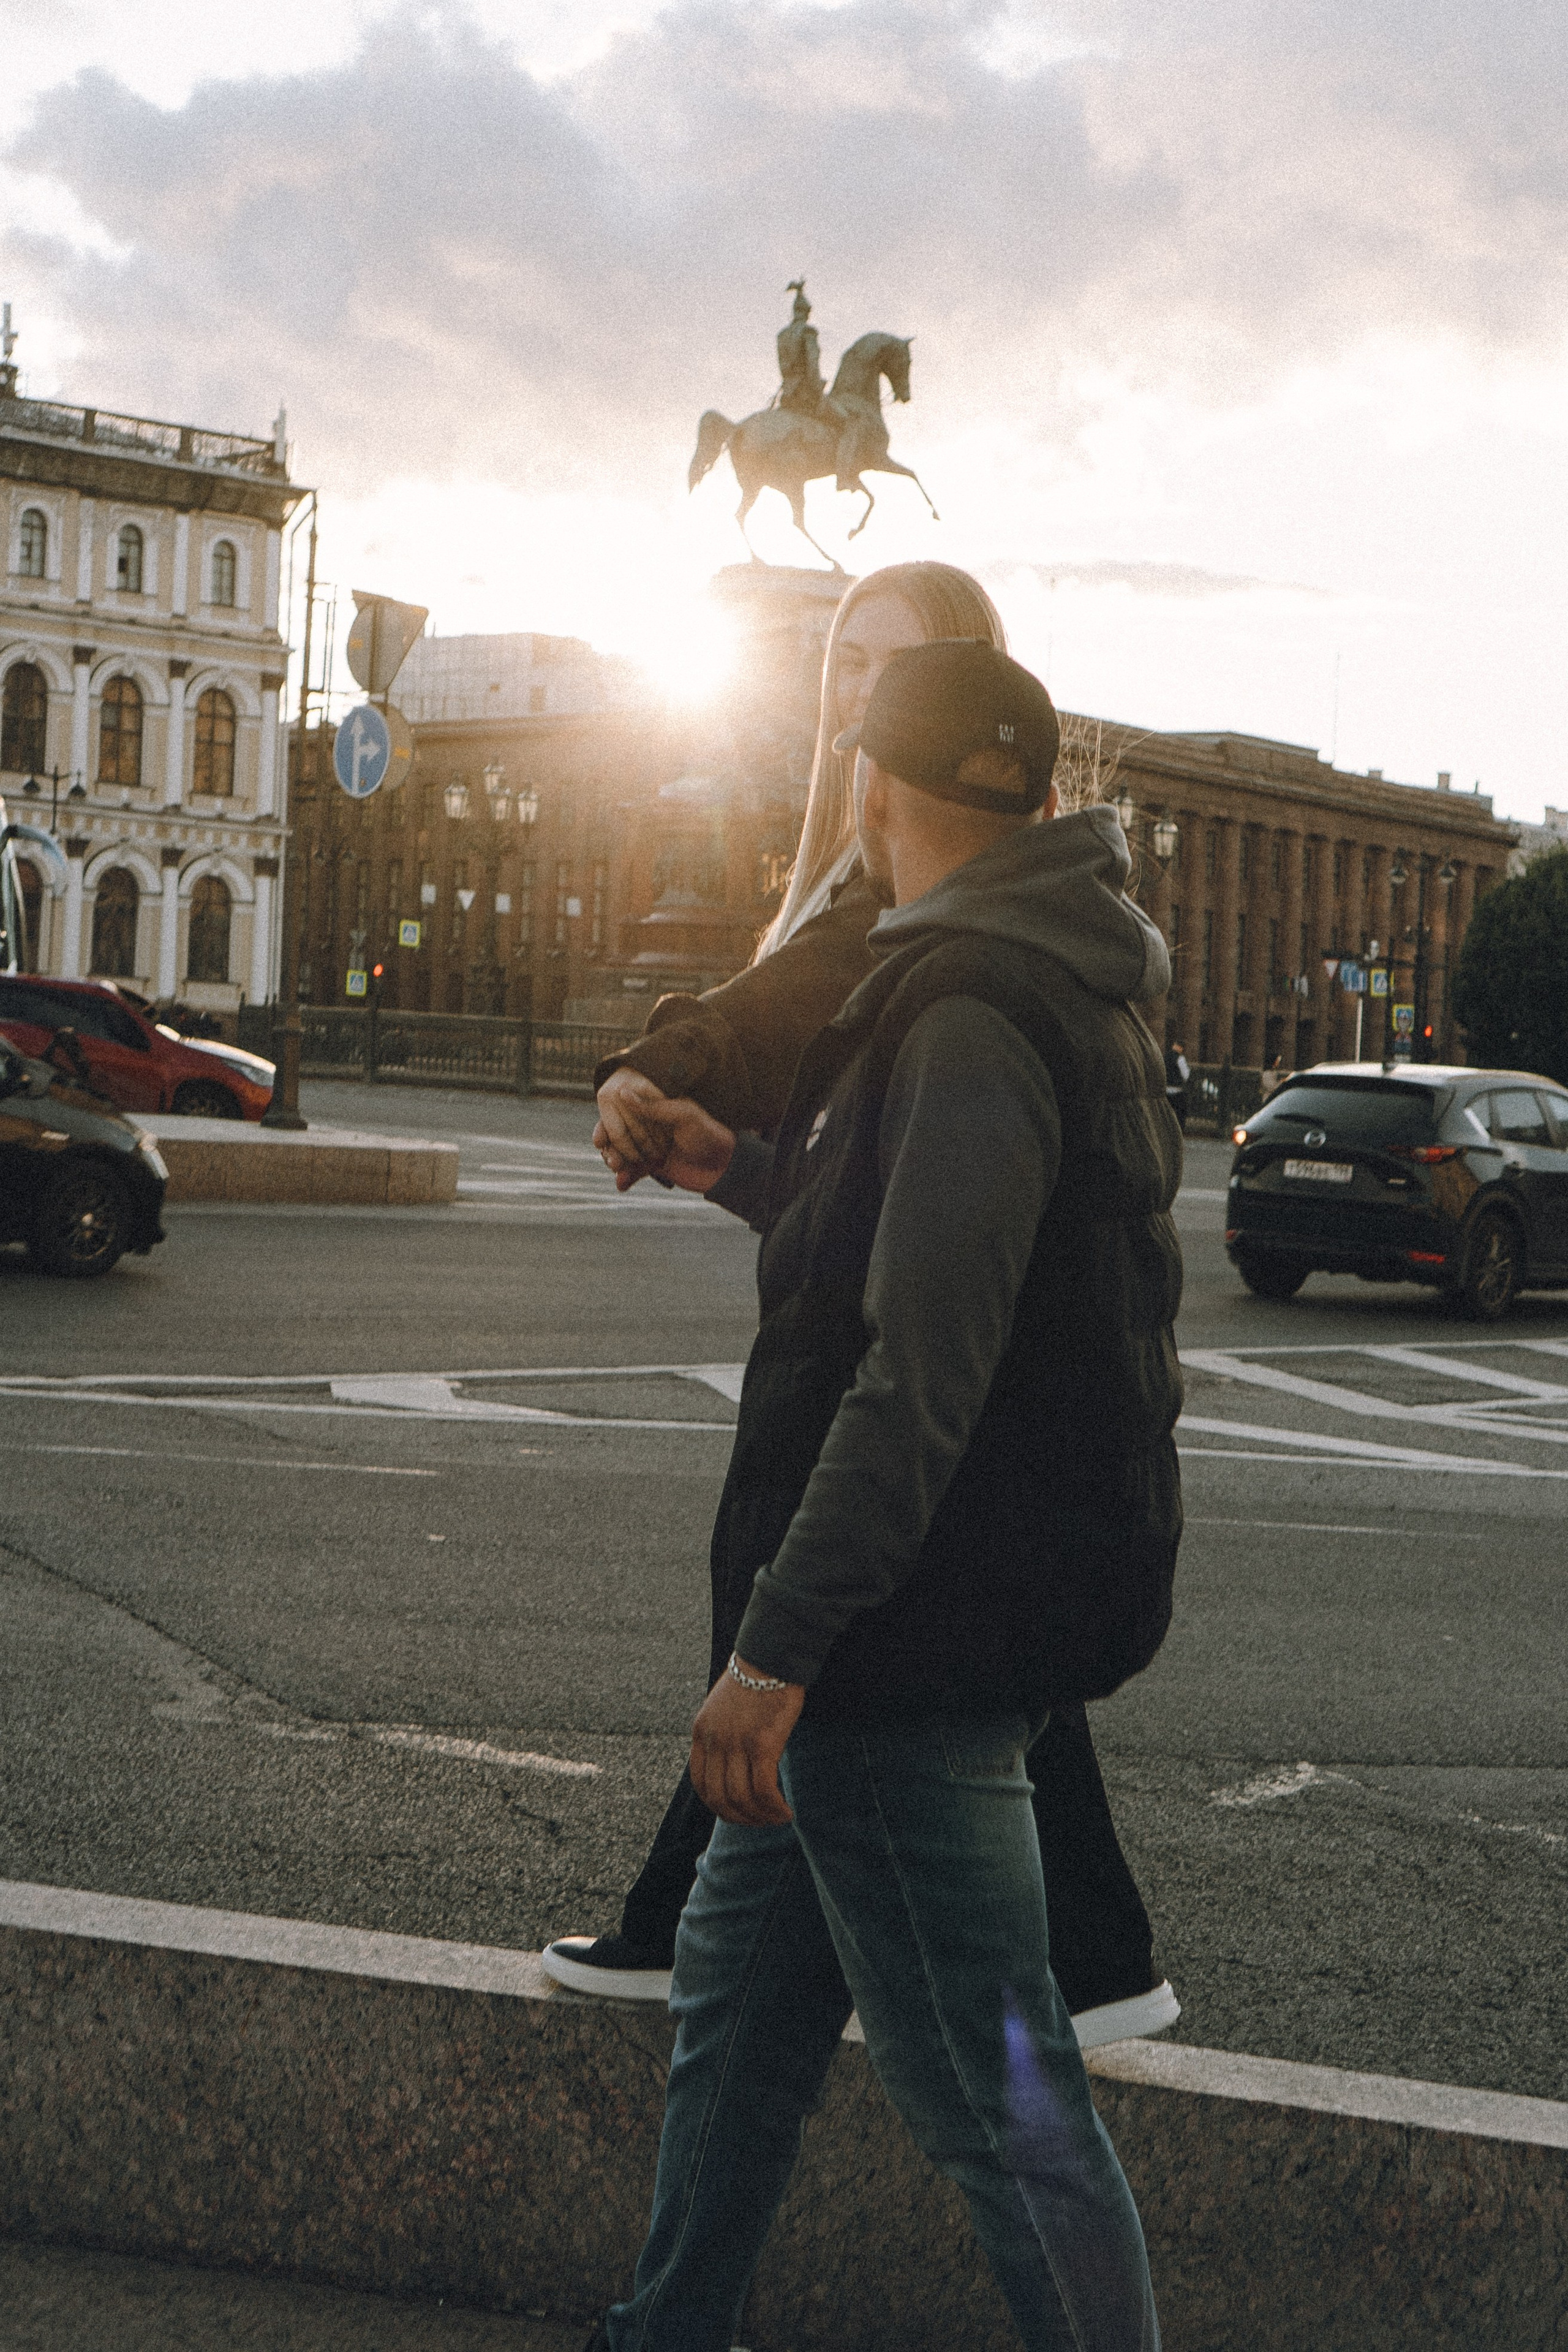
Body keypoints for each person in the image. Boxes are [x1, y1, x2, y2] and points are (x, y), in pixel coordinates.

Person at [585, 638, 1176, 2352]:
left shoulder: (977, 1004)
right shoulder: (1041, 967)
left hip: (901, 1650)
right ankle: (667, 2330)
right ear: (1038, 797)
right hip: (929, 1624)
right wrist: (739, 1168)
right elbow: (923, 1238)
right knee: (740, 2013)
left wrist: (775, 1651)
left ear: (868, 787)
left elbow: (923, 1370)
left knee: (1006, 2102)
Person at [1164, 1038, 1190, 1130]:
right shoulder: (1180, 1058)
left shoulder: (1165, 1057)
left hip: (1166, 1090)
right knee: (1181, 1113)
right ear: (1181, 1048)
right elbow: (1185, 1075)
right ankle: (1179, 1130)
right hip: (1177, 1090)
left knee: (1166, 1113)